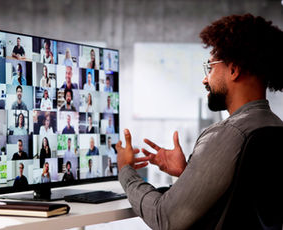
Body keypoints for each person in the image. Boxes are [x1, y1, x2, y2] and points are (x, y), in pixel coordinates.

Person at [116, 14, 283, 230]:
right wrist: (189, 173)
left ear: (234, 69)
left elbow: (164, 218)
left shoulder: (229, 133)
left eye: (210, 67)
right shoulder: (275, 127)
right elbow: (241, 205)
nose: (205, 79)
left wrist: (125, 170)